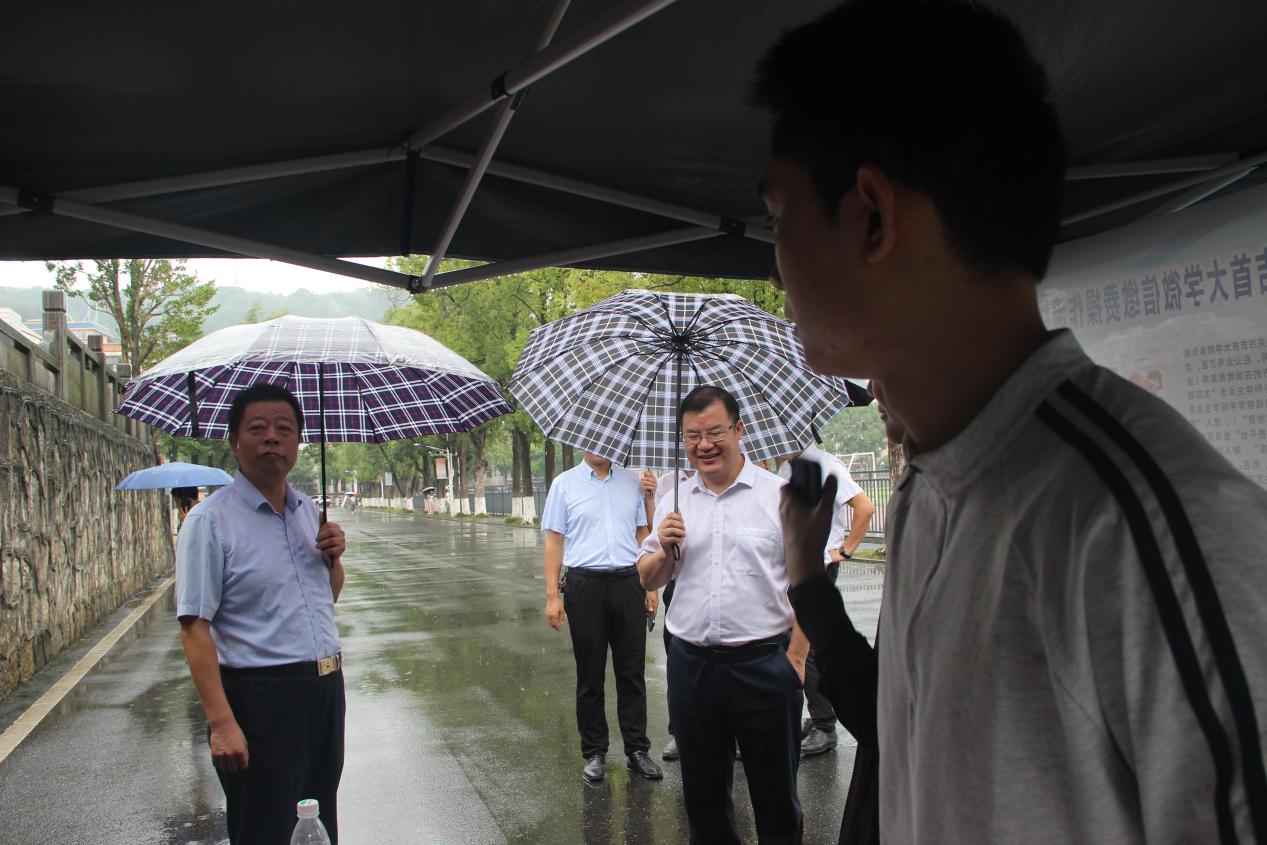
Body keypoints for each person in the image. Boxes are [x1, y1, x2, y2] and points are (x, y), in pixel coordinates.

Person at [757, 2, 1267, 843]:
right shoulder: (931, 486)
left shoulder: (1150, 534)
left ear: (872, 216)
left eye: (779, 218)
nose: (774, 270)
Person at [175, 383, 348, 844]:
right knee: (266, 827)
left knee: (319, 823)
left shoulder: (308, 511)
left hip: (324, 690)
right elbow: (194, 628)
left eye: (284, 429)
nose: (272, 437)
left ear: (298, 442)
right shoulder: (210, 521)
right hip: (261, 699)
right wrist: (221, 723)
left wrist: (334, 559)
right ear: (234, 441)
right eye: (258, 428)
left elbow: (325, 598)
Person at [638, 385, 809, 845]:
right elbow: (647, 577)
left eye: (714, 432)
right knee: (704, 801)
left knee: (776, 799)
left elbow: (809, 583)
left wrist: (795, 658)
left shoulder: (780, 496)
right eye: (692, 436)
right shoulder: (675, 501)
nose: (704, 445)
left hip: (765, 666)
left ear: (739, 429)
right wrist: (666, 550)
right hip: (692, 668)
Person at [541, 451, 663, 784]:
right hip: (585, 584)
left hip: (629, 581)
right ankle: (594, 752)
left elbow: (643, 534)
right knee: (590, 674)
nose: (597, 446)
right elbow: (554, 542)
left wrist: (650, 587)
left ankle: (637, 750)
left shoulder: (632, 482)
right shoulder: (564, 484)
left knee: (632, 672)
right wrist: (553, 597)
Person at [776, 445, 875, 756]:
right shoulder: (786, 466)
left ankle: (824, 725)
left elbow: (865, 507)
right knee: (792, 640)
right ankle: (816, 717)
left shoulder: (826, 465)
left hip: (819, 567)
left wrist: (845, 550)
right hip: (797, 566)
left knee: (810, 648)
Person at [640, 466, 696, 763]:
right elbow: (652, 531)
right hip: (680, 584)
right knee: (679, 664)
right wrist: (651, 496)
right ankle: (681, 731)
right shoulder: (670, 488)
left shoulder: (769, 491)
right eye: (691, 441)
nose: (703, 445)